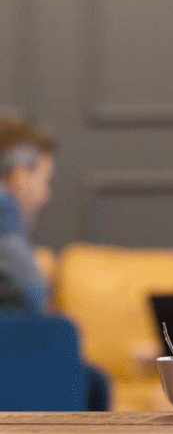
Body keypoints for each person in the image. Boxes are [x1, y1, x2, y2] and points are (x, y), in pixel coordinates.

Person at [0, 115, 110, 410]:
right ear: (21, 174)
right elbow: (33, 301)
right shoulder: (4, 218)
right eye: (44, 180)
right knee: (57, 337)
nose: (45, 195)